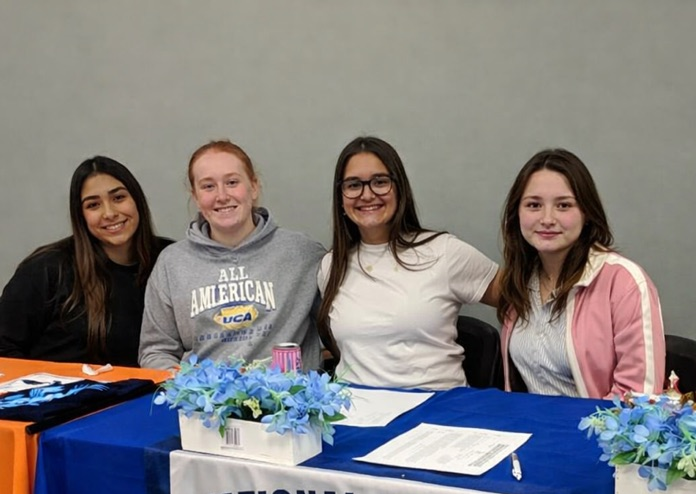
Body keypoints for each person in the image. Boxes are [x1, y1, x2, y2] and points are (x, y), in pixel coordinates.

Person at [317, 136, 500, 389]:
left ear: (399, 187)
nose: (367, 194)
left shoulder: (444, 252)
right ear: (341, 196)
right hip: (358, 414)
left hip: (439, 413)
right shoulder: (331, 266)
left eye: (380, 182)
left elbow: (519, 299)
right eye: (353, 185)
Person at [139, 140, 325, 370]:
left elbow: (342, 327)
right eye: (208, 186)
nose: (222, 195)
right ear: (195, 197)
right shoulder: (171, 263)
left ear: (254, 187)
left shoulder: (303, 253)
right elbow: (156, 350)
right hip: (204, 404)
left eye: (232, 182)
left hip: (287, 402)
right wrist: (186, 388)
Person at [496, 148, 665, 398]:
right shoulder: (519, 280)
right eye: (534, 205)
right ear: (516, 213)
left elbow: (639, 397)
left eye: (563, 205)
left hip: (594, 432)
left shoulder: (624, 282)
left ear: (586, 213)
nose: (547, 218)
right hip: (531, 428)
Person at [0, 156, 168, 366]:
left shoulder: (171, 260)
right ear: (80, 215)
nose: (109, 213)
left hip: (150, 395)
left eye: (118, 198)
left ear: (137, 200)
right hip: (60, 396)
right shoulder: (47, 268)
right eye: (93, 205)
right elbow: (4, 348)